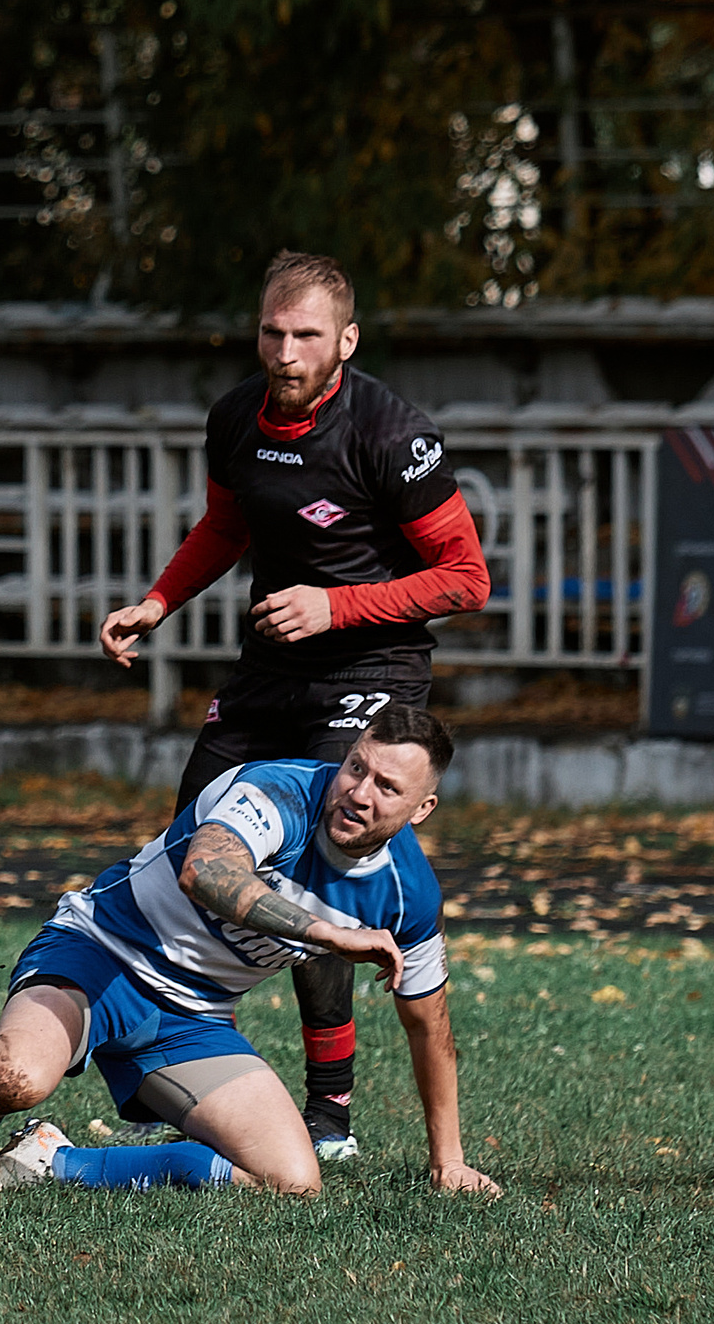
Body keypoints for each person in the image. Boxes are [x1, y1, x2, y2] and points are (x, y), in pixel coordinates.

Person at [95, 251, 489, 1161]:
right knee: (200, 842)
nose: (285, 350)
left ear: (346, 340)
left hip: (374, 666)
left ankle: (331, 1115)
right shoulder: (235, 415)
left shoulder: (393, 433)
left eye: (306, 334)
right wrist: (158, 601)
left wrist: (335, 604)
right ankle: (167, 1043)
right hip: (271, 665)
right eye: (273, 332)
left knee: (322, 860)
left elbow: (466, 580)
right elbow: (228, 526)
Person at [0, 707, 501, 1198]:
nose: (358, 793)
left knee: (291, 1182)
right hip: (102, 954)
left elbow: (428, 1024)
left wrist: (449, 1160)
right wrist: (327, 935)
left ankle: (52, 1162)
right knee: (16, 1076)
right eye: (355, 768)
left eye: (386, 786)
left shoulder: (409, 893)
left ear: (422, 809)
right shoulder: (277, 791)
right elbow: (208, 872)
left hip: (194, 1018)